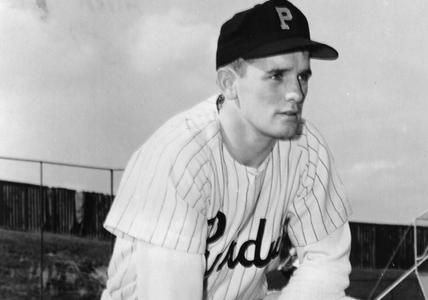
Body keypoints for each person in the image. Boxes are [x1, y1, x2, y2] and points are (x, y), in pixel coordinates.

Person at [100, 0, 354, 299]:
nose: (296, 93)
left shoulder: (307, 149)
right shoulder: (179, 156)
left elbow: (326, 265)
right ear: (229, 83)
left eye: (303, 76)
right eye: (277, 75)